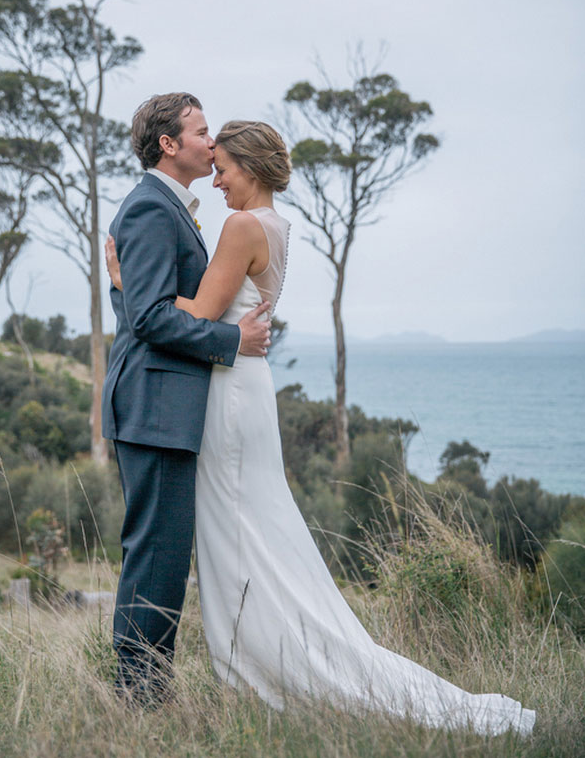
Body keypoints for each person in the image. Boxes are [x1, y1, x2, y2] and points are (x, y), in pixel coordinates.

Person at [106, 117, 536, 736]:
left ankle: (267, 668)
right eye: (207, 147)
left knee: (238, 534)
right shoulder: (273, 226)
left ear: (248, 169)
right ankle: (254, 665)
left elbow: (187, 311)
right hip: (241, 386)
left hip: (229, 394)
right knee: (247, 534)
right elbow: (191, 313)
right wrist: (197, 320)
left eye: (224, 165)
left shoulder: (240, 225)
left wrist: (129, 289)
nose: (218, 176)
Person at [101, 94, 272, 704]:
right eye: (201, 132)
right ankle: (140, 695)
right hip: (153, 409)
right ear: (169, 144)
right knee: (157, 556)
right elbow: (150, 318)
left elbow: (138, 308)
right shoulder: (150, 208)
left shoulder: (169, 209)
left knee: (161, 554)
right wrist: (234, 338)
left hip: (162, 408)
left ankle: (141, 688)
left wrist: (125, 294)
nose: (210, 141)